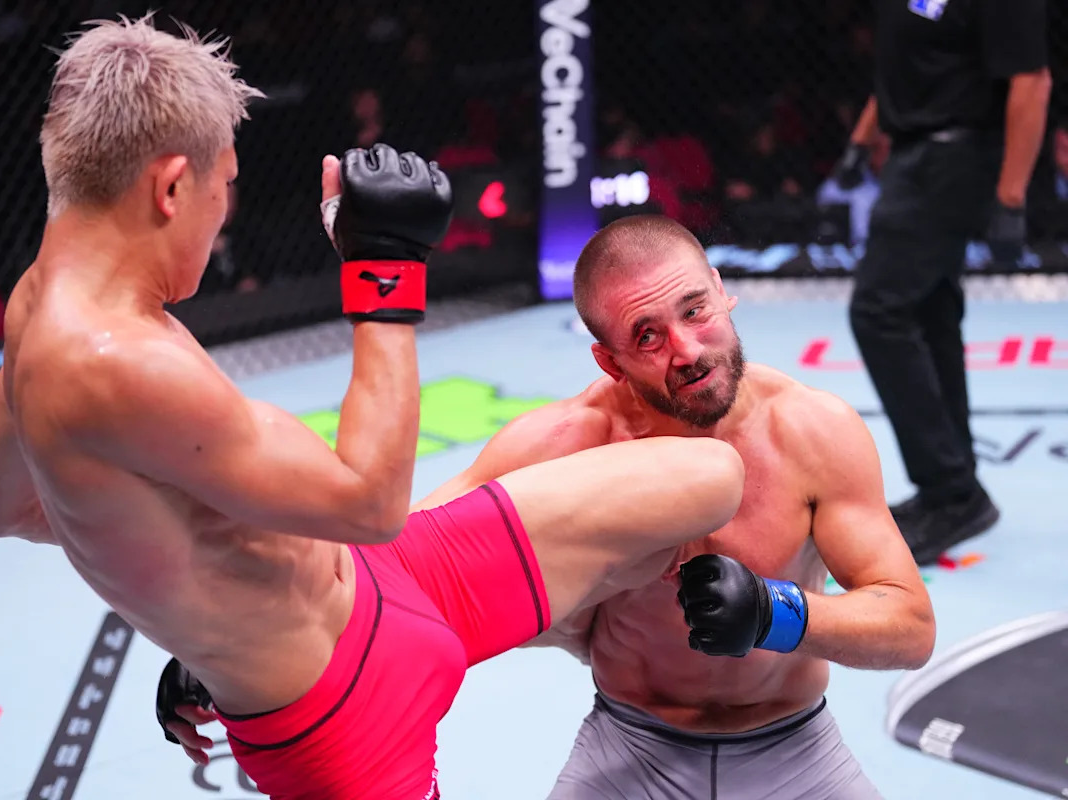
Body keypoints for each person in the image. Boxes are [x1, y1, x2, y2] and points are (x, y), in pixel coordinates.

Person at [0, 16, 747, 800]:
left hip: (395, 576)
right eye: (224, 183)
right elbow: (370, 504)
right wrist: (383, 272)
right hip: (341, 724)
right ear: (171, 187)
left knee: (710, 477)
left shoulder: (38, 306)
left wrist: (202, 593)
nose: (223, 209)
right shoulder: (117, 361)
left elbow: (10, 509)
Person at [157, 215, 936, 799]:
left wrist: (775, 614)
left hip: (797, 752)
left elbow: (908, 625)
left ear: (723, 290)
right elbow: (390, 569)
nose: (687, 349)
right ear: (609, 359)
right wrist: (238, 649)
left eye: (696, 310)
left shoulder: (812, 431)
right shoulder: (564, 443)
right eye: (648, 336)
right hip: (629, 753)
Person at [834, 0, 1052, 565]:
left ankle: (951, 489)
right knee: (928, 312)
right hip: (912, 156)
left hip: (955, 159)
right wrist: (863, 138)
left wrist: (1011, 197)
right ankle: (953, 486)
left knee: (879, 312)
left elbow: (1031, 79)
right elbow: (911, 66)